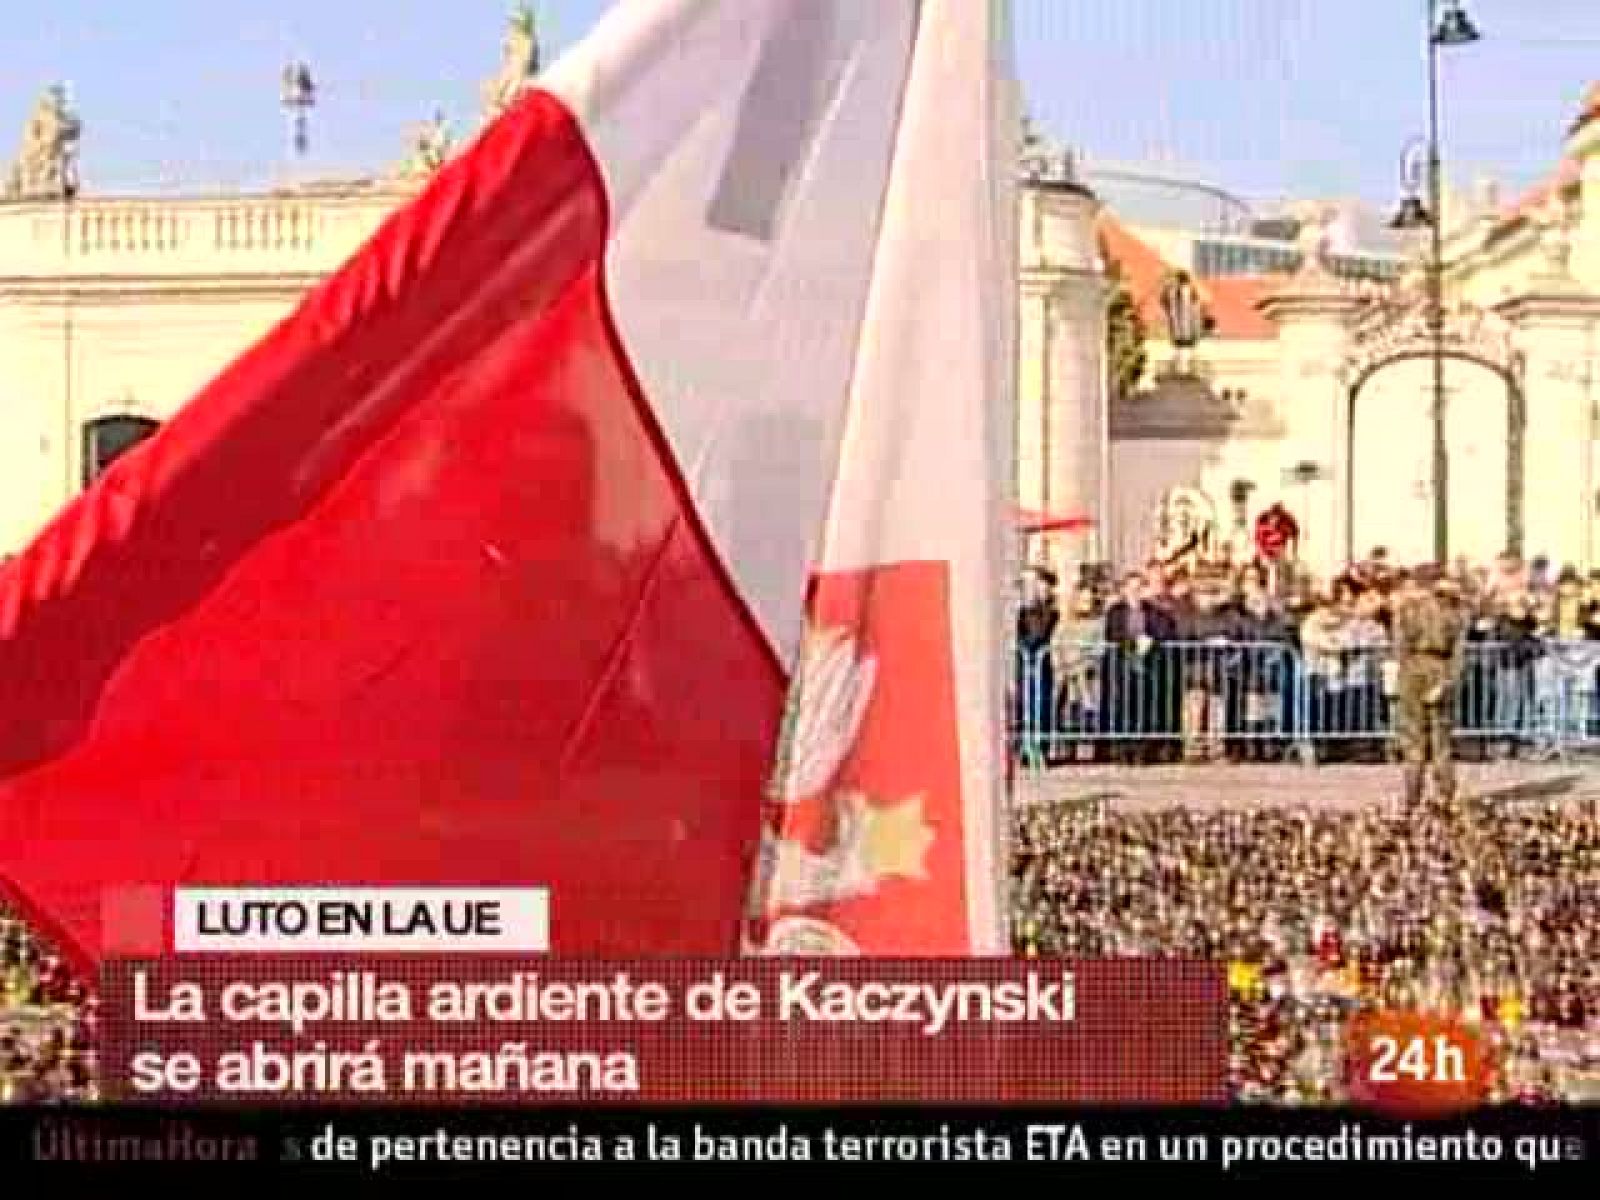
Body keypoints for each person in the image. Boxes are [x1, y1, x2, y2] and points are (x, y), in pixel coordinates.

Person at [1390, 565, 1467, 809]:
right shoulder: (1453, 611)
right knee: (1441, 741)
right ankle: (1446, 795)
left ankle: (1413, 797)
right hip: (1441, 669)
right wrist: (1448, 681)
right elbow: (1459, 654)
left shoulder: (1406, 609)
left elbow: (1400, 647)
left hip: (1414, 670)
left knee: (1413, 739)